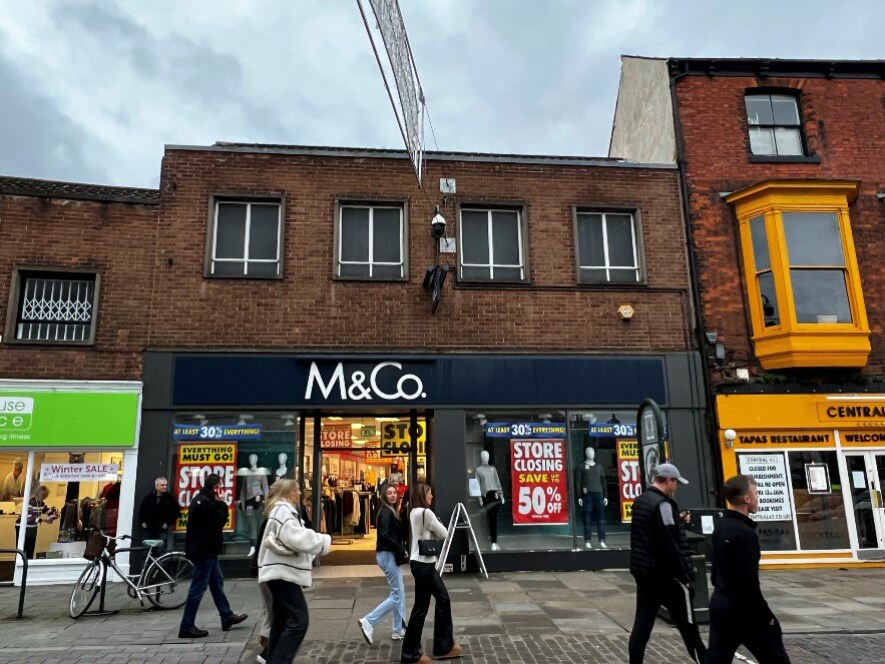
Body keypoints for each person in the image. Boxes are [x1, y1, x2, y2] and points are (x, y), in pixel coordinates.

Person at [705, 475, 791, 664]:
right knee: (775, 657)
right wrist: (765, 615)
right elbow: (748, 580)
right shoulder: (745, 534)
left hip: (721, 603)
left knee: (716, 658)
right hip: (744, 610)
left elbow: (717, 569)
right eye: (756, 494)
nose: (758, 498)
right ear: (746, 499)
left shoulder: (721, 526)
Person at [628, 463, 706, 664]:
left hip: (644, 571)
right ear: (669, 480)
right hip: (666, 574)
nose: (677, 486)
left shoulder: (641, 500)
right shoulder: (663, 504)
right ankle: (704, 660)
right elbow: (669, 542)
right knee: (688, 624)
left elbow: (650, 532)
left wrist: (677, 520)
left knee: (642, 623)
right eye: (676, 482)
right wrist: (685, 574)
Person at [258, 478, 330, 664]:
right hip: (283, 574)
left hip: (278, 574)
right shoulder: (283, 511)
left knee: (282, 621)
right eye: (297, 490)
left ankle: (271, 658)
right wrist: (322, 541)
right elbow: (295, 537)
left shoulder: (281, 510)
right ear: (288, 492)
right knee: (299, 621)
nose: (300, 493)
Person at [179, 473, 247, 639]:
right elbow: (218, 522)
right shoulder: (207, 503)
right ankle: (186, 626)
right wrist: (222, 503)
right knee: (198, 588)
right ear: (215, 487)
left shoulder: (201, 500)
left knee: (217, 581)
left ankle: (226, 615)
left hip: (205, 550)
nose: (222, 489)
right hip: (205, 551)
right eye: (220, 486)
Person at [400, 483, 461, 664]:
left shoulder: (413, 512)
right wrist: (438, 526)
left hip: (420, 563)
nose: (432, 496)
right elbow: (445, 534)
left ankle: (443, 647)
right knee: (422, 607)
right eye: (429, 493)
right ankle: (411, 654)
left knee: (441, 599)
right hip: (424, 565)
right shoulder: (427, 513)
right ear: (422, 495)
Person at [358, 483, 408, 645]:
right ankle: (369, 621)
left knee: (399, 592)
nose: (393, 495)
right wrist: (401, 548)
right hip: (387, 555)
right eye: (389, 493)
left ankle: (398, 629)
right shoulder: (386, 512)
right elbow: (385, 535)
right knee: (397, 595)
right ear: (384, 496)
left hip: (388, 554)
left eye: (395, 492)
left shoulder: (390, 511)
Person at [14, 485, 59, 559]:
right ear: (41, 495)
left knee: (30, 549)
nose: (45, 498)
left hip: (32, 528)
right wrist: (45, 520)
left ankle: (28, 566)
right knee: (22, 549)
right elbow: (29, 518)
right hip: (23, 527)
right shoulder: (30, 502)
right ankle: (19, 566)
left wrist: (54, 515)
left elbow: (47, 511)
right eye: (44, 496)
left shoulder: (41, 503)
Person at [138, 476, 180, 553]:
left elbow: (176, 512)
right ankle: (147, 565)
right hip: (149, 528)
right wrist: (143, 522)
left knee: (161, 551)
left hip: (161, 529)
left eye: (166, 485)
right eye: (162, 485)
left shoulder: (169, 498)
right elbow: (142, 510)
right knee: (146, 551)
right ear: (156, 486)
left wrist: (168, 523)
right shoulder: (149, 497)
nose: (165, 487)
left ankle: (159, 564)